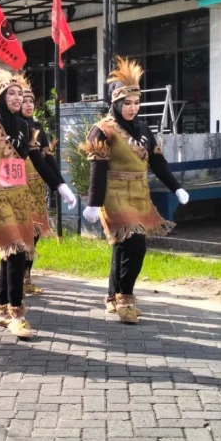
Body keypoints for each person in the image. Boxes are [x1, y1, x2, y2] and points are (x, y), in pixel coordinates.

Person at [82, 57, 189, 324]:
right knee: (135, 244)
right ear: (115, 103)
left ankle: (112, 295)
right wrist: (94, 202)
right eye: (126, 103)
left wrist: (176, 187)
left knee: (122, 246)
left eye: (136, 103)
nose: (132, 108)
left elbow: (158, 162)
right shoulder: (102, 130)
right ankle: (125, 299)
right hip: (114, 195)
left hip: (139, 194)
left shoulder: (143, 128)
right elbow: (97, 169)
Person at [0, 71, 76, 339]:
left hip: (19, 197)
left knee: (11, 254)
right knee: (17, 252)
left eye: (20, 93)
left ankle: (1, 307)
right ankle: (17, 313)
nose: (18, 98)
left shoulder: (24, 126)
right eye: (12, 93)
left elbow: (38, 160)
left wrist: (60, 185)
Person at [21, 87, 68, 295]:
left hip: (37, 186)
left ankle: (27, 276)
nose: (29, 105)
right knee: (22, 232)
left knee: (36, 231)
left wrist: (59, 183)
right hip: (18, 188)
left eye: (31, 101)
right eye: (24, 101)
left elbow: (48, 159)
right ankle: (16, 277)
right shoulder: (12, 128)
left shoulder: (39, 128)